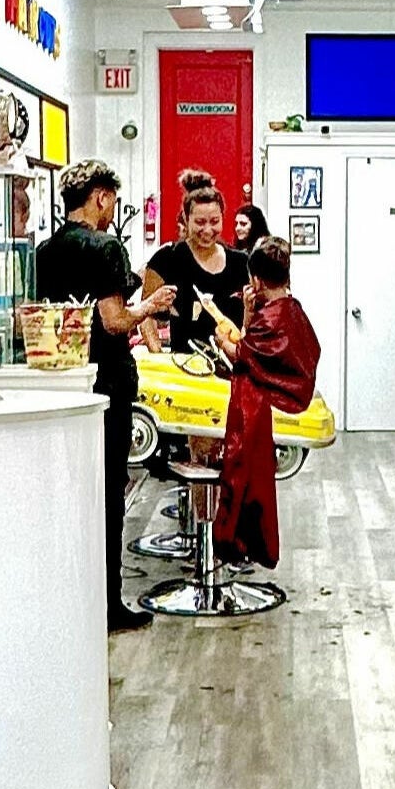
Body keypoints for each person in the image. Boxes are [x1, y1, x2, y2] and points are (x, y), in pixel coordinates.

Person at [38, 162, 174, 631]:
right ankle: (108, 604)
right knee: (108, 493)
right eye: (112, 200)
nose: (113, 209)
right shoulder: (105, 247)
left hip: (62, 381)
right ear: (100, 197)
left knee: (69, 492)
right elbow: (114, 321)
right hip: (107, 384)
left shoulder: (44, 251)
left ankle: (68, 598)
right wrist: (151, 306)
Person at [214, 237, 321, 572]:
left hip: (276, 400)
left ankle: (234, 539)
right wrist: (248, 315)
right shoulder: (292, 310)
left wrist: (222, 340)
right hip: (295, 391)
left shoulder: (272, 319)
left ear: (256, 281)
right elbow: (256, 350)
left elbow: (242, 353)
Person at [145, 175, 241, 353]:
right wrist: (157, 353)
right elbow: (146, 315)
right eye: (199, 222)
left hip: (233, 363)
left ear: (223, 217)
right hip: (185, 363)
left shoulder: (241, 262)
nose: (207, 230)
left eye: (214, 222)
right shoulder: (167, 259)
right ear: (186, 218)